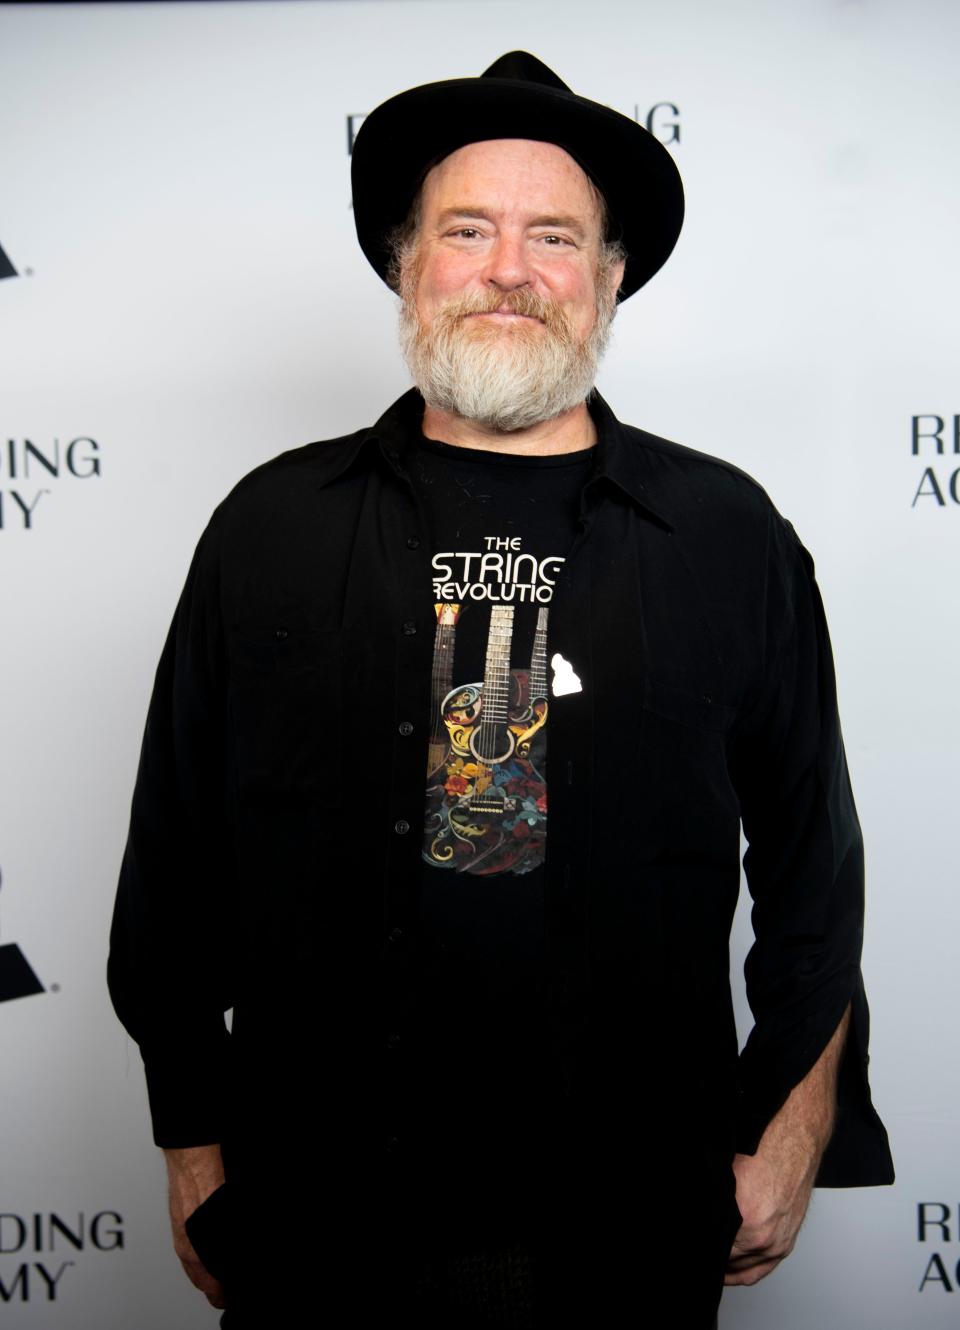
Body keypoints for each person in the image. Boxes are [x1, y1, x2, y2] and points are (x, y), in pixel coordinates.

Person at [108, 51, 893, 1328]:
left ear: (611, 277)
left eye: (556, 236)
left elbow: (817, 866)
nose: (509, 267)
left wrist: (799, 1122)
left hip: (628, 1220)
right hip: (323, 1217)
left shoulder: (728, 535)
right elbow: (172, 861)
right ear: (405, 263)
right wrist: (191, 1135)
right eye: (467, 230)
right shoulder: (269, 528)